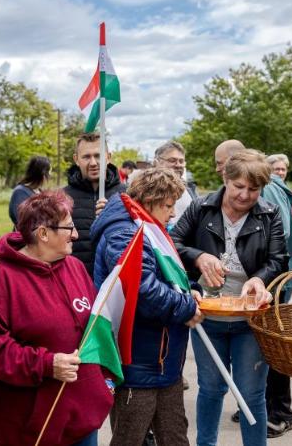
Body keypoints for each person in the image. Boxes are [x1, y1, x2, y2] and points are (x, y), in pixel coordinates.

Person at [0, 190, 114, 446]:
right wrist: (46, 365)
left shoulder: (75, 267)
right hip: (32, 429)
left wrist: (104, 383)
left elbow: (93, 327)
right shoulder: (1, 280)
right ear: (43, 233)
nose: (76, 234)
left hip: (83, 420)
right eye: (68, 227)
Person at [171, 149, 287, 446]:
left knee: (251, 393)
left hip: (251, 319)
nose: (246, 196)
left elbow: (278, 260)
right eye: (239, 187)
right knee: (210, 389)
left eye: (254, 189)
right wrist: (199, 257)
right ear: (225, 177)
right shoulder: (201, 208)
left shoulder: (269, 212)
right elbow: (172, 243)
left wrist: (260, 280)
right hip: (208, 317)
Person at [90, 167, 203, 446]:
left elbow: (169, 275)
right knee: (130, 438)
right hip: (139, 362)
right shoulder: (125, 232)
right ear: (149, 200)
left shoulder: (147, 225)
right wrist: (185, 307)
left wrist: (193, 290)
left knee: (175, 437)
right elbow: (141, 290)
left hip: (163, 359)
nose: (173, 213)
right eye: (167, 206)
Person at [63, 132, 127, 276]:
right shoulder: (61, 198)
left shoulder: (128, 195)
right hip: (75, 281)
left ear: (108, 157)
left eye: (98, 156)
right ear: (76, 159)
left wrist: (116, 216)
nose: (93, 163)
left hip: (115, 282)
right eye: (86, 157)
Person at [153, 141, 198, 228]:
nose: (178, 165)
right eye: (172, 160)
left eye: (181, 161)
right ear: (156, 163)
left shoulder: (190, 190)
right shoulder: (145, 190)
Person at [9, 155, 50, 227]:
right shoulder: (20, 192)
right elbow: (20, 220)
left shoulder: (40, 191)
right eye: (48, 172)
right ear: (42, 174)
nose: (50, 175)